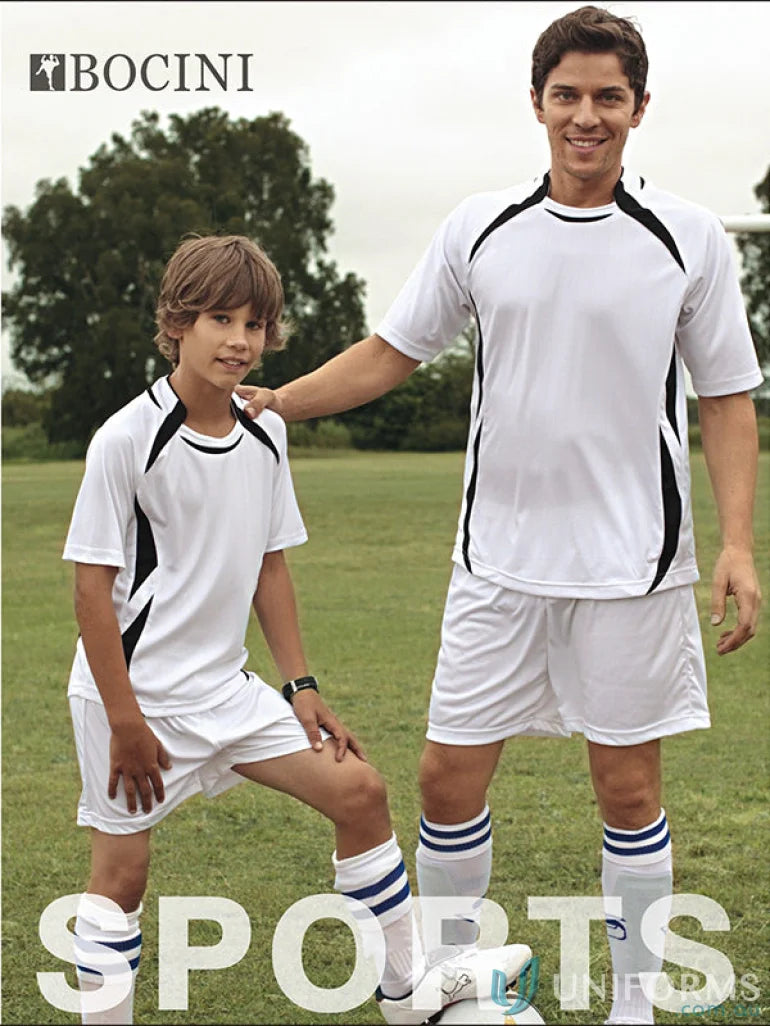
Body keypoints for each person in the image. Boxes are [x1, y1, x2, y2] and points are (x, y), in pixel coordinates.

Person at [237, 7, 764, 1025]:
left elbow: (725, 398)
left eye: (606, 97)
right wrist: (281, 400)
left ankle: (633, 1006)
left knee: (625, 793)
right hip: (497, 565)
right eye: (565, 95)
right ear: (536, 104)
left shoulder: (688, 238)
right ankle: (454, 995)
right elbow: (392, 350)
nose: (584, 116)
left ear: (637, 109)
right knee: (443, 779)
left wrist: (736, 542)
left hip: (634, 568)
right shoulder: (479, 227)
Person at [62, 234, 530, 1026]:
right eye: (219, 319)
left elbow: (268, 568)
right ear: (177, 322)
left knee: (359, 791)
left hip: (228, 690)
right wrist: (125, 720)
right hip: (136, 701)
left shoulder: (267, 430)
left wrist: (301, 685)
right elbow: (88, 591)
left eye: (255, 323)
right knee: (121, 878)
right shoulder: (126, 441)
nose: (239, 340)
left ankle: (406, 994)